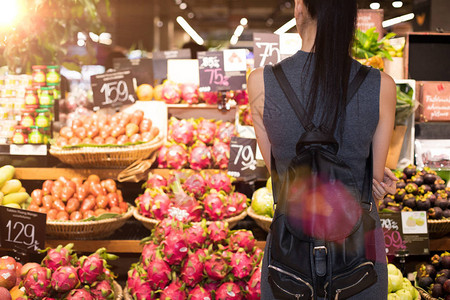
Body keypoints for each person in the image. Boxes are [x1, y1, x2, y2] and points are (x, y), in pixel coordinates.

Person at [247, 0, 397, 299]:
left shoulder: (260, 82)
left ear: (300, 8)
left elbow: (278, 169)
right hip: (358, 253)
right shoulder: (382, 85)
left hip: (290, 252)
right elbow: (375, 180)